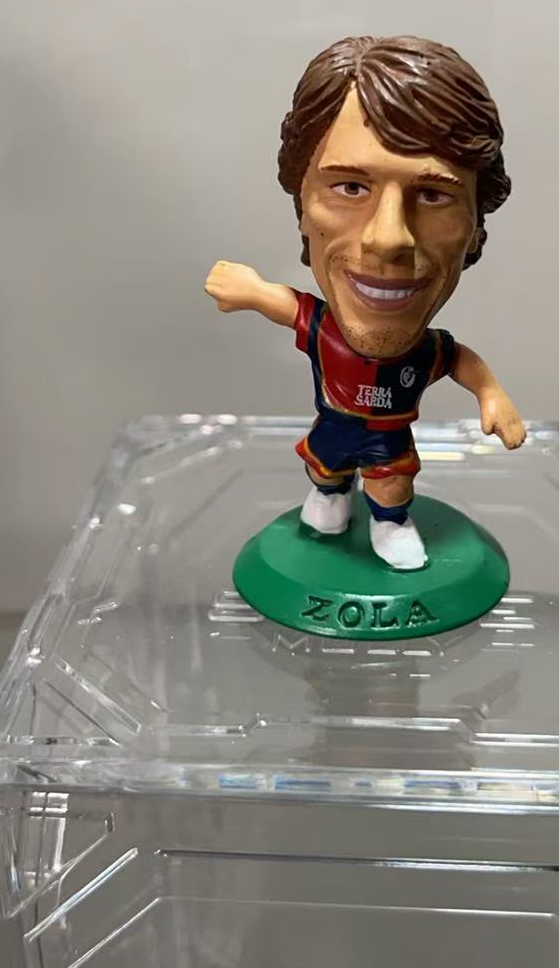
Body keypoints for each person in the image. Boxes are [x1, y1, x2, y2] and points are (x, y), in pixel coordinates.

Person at [206, 35, 525, 570]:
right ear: (301, 206)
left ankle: (390, 524)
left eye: (433, 195)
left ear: (475, 227)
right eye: (350, 188)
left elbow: (459, 361)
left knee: (392, 482)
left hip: (387, 440)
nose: (388, 238)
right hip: (334, 427)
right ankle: (329, 497)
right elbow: (286, 305)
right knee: (323, 469)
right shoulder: (325, 330)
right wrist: (253, 290)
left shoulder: (424, 353)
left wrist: (491, 393)